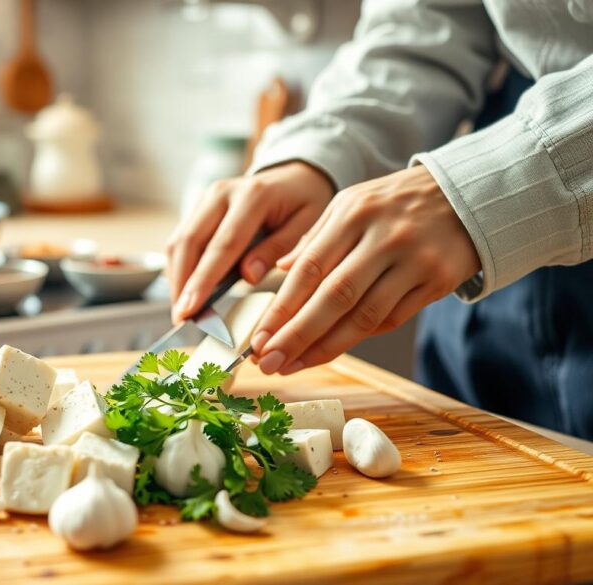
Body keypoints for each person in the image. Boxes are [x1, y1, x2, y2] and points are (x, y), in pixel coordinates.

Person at [167, 1, 593, 438]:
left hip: (476, 210)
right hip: (480, 270)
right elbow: (426, 22)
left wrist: (488, 185)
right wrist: (323, 155)